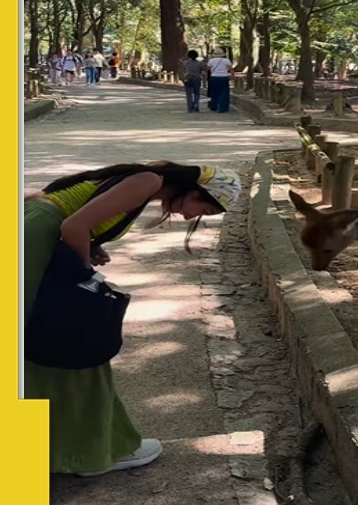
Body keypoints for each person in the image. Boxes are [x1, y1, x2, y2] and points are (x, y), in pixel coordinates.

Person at [24, 162, 242, 476]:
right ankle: (95, 450)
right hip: (33, 241)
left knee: (39, 348)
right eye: (203, 208)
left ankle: (70, 447)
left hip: (34, 234)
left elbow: (77, 218)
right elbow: (72, 227)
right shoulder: (148, 182)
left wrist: (92, 245)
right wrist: (84, 278)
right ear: (195, 190)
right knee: (70, 347)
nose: (191, 216)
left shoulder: (145, 184)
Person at [206, 47, 232, 112]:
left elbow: (207, 69)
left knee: (214, 92)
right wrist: (232, 76)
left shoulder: (211, 61)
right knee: (224, 92)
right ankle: (223, 107)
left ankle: (214, 106)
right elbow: (230, 69)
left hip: (214, 77)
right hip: (224, 77)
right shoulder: (226, 61)